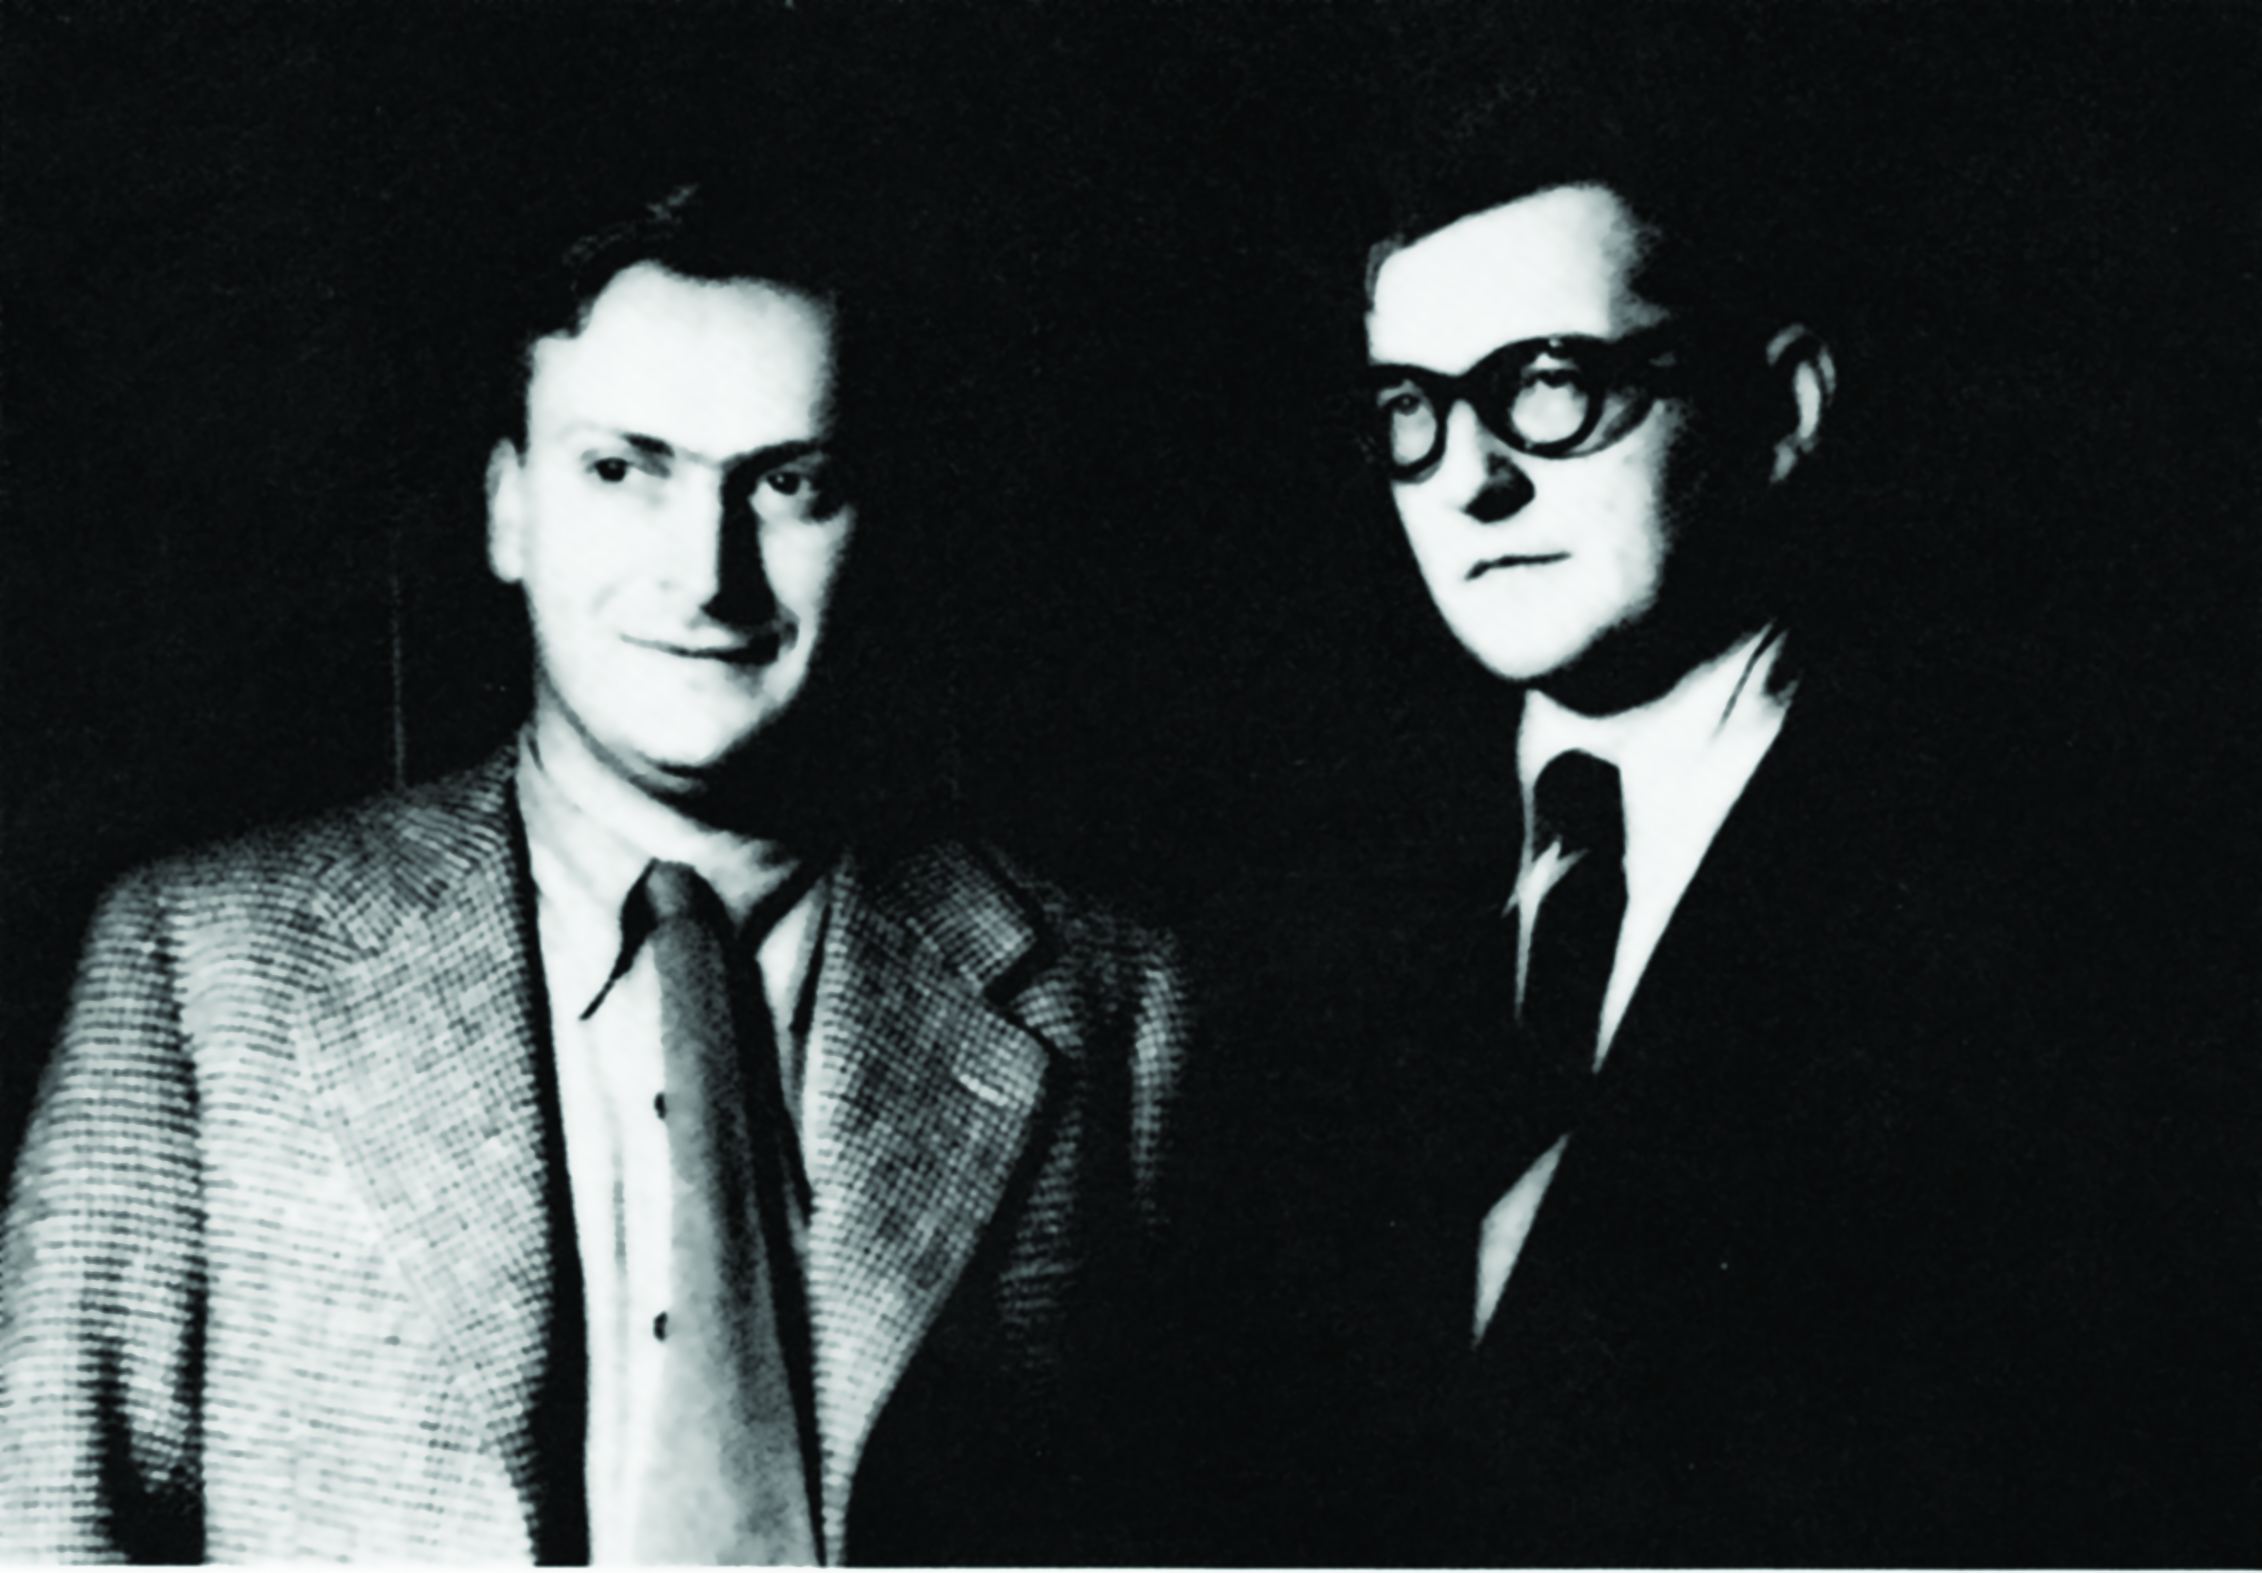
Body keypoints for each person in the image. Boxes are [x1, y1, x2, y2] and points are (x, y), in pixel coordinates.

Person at [0, 181, 1191, 1565]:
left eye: (788, 484)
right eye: (624, 471)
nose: (707, 573)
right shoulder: (204, 965)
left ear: (876, 525)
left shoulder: (1110, 1000)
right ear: (507, 511)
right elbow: (37, 1519)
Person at [1203, 21, 2254, 1566]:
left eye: (1547, 386)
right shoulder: (1298, 913)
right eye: (1411, 410)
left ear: (1782, 411)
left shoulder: (2042, 909)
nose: (1471, 478)